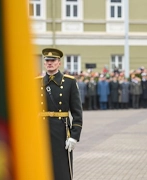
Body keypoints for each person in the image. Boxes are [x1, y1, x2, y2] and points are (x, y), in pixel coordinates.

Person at [37, 48, 83, 180]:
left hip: (61, 131)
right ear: (44, 63)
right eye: (47, 61)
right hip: (42, 130)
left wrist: (74, 136)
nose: (49, 63)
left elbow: (77, 112)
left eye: (53, 60)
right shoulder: (36, 82)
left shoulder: (69, 82)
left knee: (62, 169)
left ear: (59, 63)